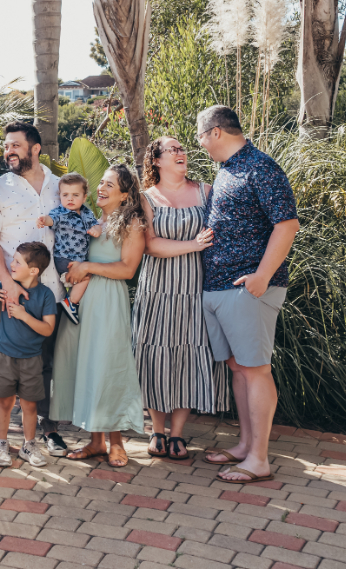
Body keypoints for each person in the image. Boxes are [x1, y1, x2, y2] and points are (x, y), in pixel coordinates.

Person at [196, 105, 299, 484]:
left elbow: (287, 225)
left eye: (200, 137)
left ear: (215, 132)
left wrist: (262, 276)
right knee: (239, 368)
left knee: (255, 370)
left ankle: (259, 459)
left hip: (248, 289)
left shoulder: (260, 167)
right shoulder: (227, 170)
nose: (200, 144)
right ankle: (244, 446)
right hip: (220, 287)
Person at [132, 136, 228, 461]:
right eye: (172, 150)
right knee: (155, 354)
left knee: (189, 352)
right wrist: (193, 245)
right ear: (156, 160)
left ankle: (177, 434)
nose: (180, 153)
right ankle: (157, 431)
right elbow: (150, 244)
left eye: (181, 148)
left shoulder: (206, 191)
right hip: (156, 289)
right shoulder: (146, 197)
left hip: (195, 287)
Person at [50, 165, 146, 468]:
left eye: (109, 184)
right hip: (81, 300)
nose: (101, 188)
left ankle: (116, 442)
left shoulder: (132, 223)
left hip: (107, 299)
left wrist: (88, 267)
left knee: (108, 365)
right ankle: (95, 441)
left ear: (125, 194)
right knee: (87, 365)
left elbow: (128, 269)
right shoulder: (89, 218)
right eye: (101, 182)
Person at [0, 121, 68, 459]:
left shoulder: (60, 186)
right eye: (6, 146)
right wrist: (6, 282)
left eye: (15, 145)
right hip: (7, 290)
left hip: (50, 289)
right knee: (1, 359)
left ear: (35, 148)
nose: (9, 151)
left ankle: (49, 430)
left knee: (45, 363)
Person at [0, 242, 57, 468]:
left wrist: (23, 315)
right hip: (4, 356)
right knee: (4, 402)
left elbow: (48, 329)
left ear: (33, 270)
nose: (11, 264)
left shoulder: (45, 295)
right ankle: (1, 444)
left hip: (32, 359)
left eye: (17, 262)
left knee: (30, 406)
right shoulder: (7, 287)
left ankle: (28, 445)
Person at [37, 172, 103, 324]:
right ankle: (71, 302)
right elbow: (51, 219)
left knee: (86, 277)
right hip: (64, 259)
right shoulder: (60, 213)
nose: (70, 199)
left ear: (84, 197)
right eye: (65, 195)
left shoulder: (87, 213)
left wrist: (96, 230)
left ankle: (74, 300)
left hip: (79, 259)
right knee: (87, 276)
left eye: (75, 195)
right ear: (60, 196)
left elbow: (95, 225)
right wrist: (44, 220)